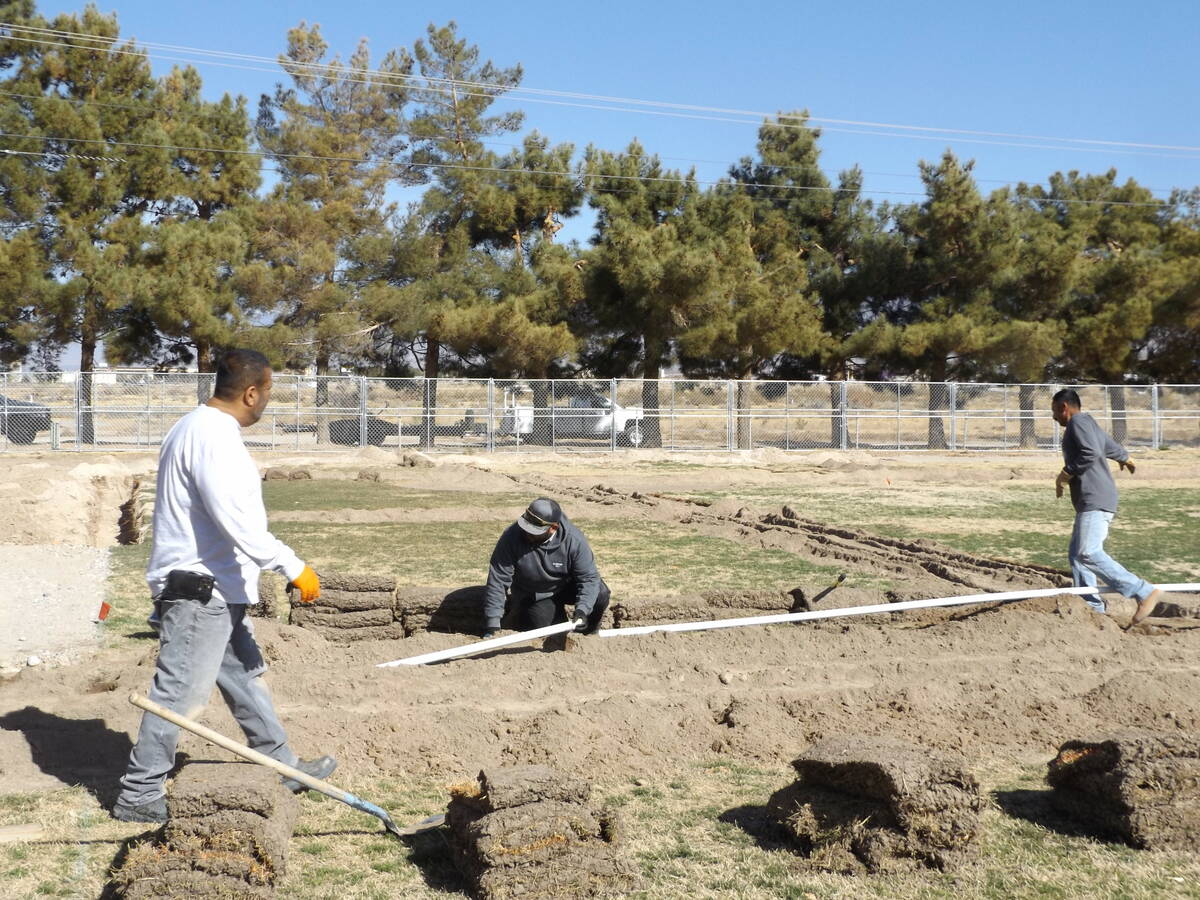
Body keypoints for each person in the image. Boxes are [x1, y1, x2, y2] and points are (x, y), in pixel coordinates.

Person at [113, 349, 335, 824]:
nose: (268, 401)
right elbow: (240, 524)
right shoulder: (214, 438)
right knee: (178, 696)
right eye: (269, 392)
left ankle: (281, 764)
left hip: (218, 588)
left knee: (243, 676)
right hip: (200, 591)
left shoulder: (195, 426)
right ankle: (138, 793)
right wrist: (295, 567)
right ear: (252, 392)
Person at [1051, 388, 1163, 624]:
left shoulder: (1077, 423)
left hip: (1095, 498)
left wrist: (1066, 473)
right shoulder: (1087, 422)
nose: (1054, 418)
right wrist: (1124, 456)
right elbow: (1104, 443)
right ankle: (1091, 607)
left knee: (1088, 552)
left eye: (1054, 412)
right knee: (1077, 556)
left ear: (1064, 408)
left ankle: (1143, 591)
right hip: (1093, 498)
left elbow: (1091, 451)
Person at [482, 498, 610, 639]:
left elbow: (588, 578)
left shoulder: (574, 540)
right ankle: (520, 615)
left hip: (566, 587)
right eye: (526, 527)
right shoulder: (511, 537)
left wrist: (582, 610)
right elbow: (498, 580)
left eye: (534, 531)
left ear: (553, 528)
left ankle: (586, 635)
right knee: (554, 638)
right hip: (536, 595)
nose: (527, 533)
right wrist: (492, 624)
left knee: (601, 592)